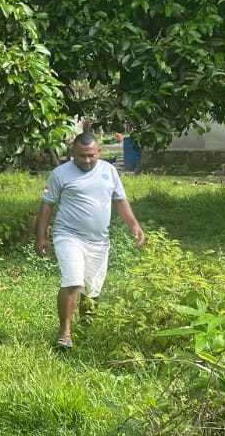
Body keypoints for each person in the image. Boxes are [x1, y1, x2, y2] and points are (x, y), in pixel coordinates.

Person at [35, 132, 145, 350]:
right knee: (73, 280)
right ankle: (65, 333)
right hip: (68, 235)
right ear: (72, 153)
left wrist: (134, 225)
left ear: (99, 152)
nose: (86, 160)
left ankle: (87, 329)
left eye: (91, 156)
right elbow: (47, 206)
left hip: (99, 241)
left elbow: (120, 201)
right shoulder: (60, 174)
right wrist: (40, 236)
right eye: (81, 156)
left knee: (93, 289)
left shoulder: (110, 171)